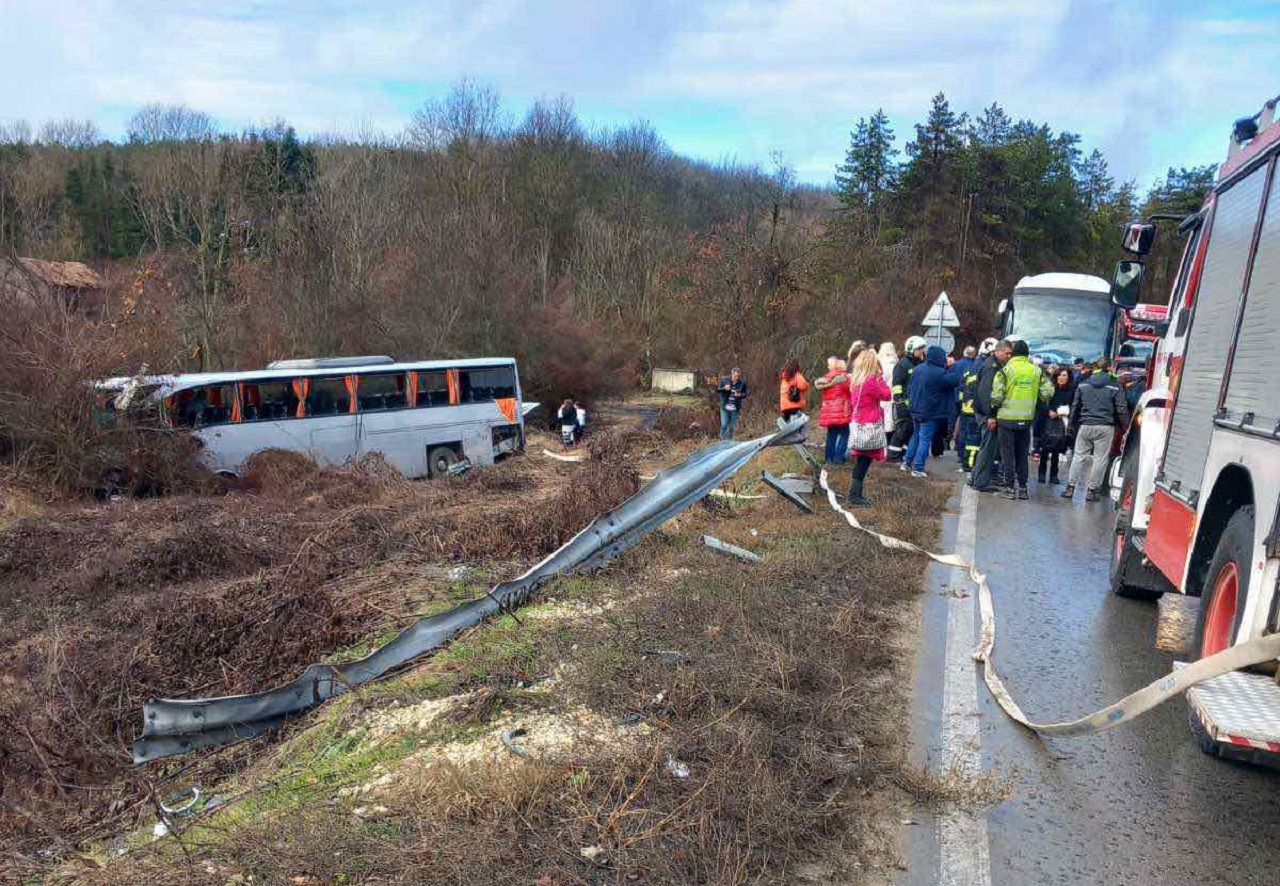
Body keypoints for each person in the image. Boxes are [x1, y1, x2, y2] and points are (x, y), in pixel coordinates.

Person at [990, 339, 1053, 500]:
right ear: (1027, 354)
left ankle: (1010, 488)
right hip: (1026, 420)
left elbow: (997, 396)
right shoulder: (1036, 371)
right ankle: (1023, 488)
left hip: (1006, 419)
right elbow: (1047, 392)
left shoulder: (1005, 370)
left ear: (1013, 353)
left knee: (1007, 454)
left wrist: (993, 408)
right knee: (1022, 454)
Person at [1062, 357, 1130, 501]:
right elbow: (1121, 408)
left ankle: (1070, 487)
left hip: (1085, 425)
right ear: (1110, 368)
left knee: (1078, 456)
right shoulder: (1115, 386)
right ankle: (1092, 491)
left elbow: (1075, 406)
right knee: (1100, 459)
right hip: (1105, 427)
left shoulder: (1083, 384)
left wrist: (1071, 426)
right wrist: (1127, 427)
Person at [902, 345, 961, 478]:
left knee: (915, 436)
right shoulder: (939, 373)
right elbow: (956, 380)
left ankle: (906, 462)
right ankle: (917, 468)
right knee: (924, 440)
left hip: (915, 409)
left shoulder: (918, 369)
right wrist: (952, 366)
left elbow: (910, 387)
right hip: (929, 412)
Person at [845, 349, 892, 507]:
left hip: (859, 422)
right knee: (864, 461)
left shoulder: (856, 380)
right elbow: (886, 395)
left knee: (862, 460)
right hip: (869, 424)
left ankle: (856, 494)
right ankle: (854, 495)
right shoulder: (870, 381)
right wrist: (880, 378)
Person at [969, 338, 1009, 492]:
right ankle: (980, 482)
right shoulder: (992, 367)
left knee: (986, 447)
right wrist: (991, 415)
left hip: (984, 413)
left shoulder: (993, 365)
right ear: (997, 351)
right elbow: (986, 394)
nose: (1008, 356)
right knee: (987, 449)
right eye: (1007, 353)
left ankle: (975, 478)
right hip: (987, 415)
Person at [888, 336, 926, 461]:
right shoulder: (903, 364)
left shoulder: (920, 363)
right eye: (920, 349)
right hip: (904, 404)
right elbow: (897, 383)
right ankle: (893, 456)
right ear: (913, 349)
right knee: (901, 431)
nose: (922, 351)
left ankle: (903, 455)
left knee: (910, 431)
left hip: (915, 404)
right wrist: (899, 399)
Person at [1037, 368, 1075, 485]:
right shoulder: (1050, 388)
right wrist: (1048, 411)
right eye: (1060, 375)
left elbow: (1073, 405)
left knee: (1056, 450)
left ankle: (1054, 475)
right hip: (1047, 421)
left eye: (1064, 375)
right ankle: (1042, 474)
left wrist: (1061, 413)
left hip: (1061, 422)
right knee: (1044, 448)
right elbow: (1041, 402)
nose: (1062, 378)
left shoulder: (1071, 390)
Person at [816, 357, 851, 463]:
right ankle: (838, 457)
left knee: (831, 434)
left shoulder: (826, 378)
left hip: (829, 411)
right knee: (845, 433)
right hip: (841, 410)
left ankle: (828, 458)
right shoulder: (844, 377)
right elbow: (850, 390)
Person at [717, 368, 748, 440]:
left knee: (732, 427)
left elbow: (745, 394)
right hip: (725, 407)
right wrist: (724, 388)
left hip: (735, 408)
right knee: (724, 424)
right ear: (732, 374)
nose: (736, 378)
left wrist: (740, 395)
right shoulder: (725, 380)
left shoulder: (742, 383)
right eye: (735, 376)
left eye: (738, 376)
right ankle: (722, 441)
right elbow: (718, 389)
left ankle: (729, 442)